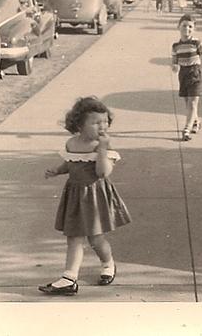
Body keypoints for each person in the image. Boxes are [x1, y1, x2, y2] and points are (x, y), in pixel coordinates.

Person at [39, 96, 131, 295]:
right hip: (75, 195)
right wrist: (57, 170)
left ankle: (108, 264)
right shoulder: (72, 143)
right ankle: (69, 277)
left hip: (95, 197)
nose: (102, 126)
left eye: (105, 122)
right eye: (96, 122)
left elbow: (102, 172)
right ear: (79, 124)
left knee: (96, 239)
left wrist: (103, 150)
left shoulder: (102, 146)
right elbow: (71, 162)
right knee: (73, 237)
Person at [171, 14, 202, 141]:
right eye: (184, 26)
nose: (187, 29)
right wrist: (175, 67)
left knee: (193, 102)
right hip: (183, 75)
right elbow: (174, 61)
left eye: (190, 26)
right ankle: (196, 122)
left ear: (194, 29)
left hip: (195, 74)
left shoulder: (197, 43)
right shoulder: (175, 46)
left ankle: (186, 129)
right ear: (178, 27)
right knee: (188, 103)